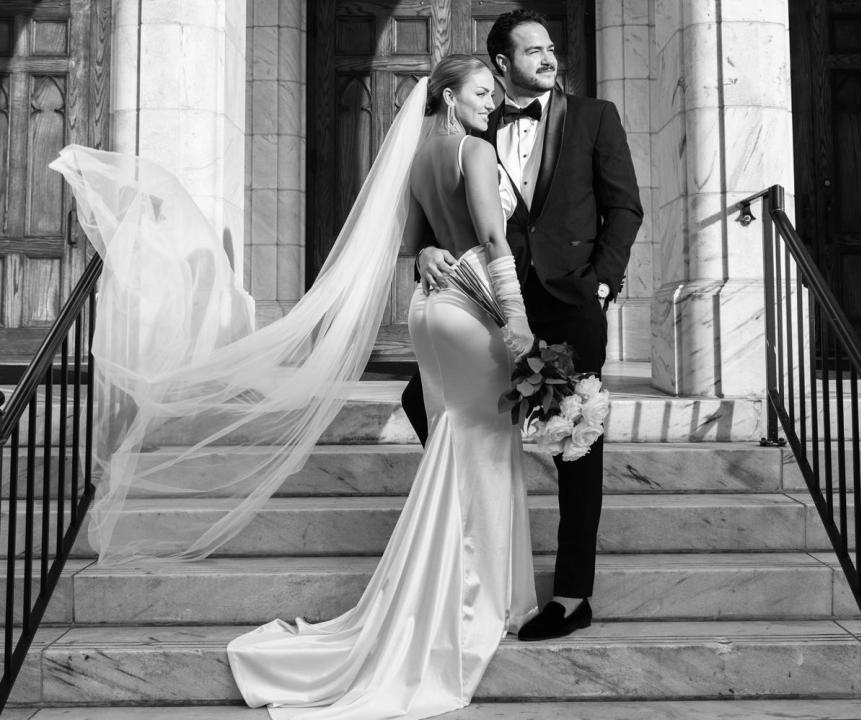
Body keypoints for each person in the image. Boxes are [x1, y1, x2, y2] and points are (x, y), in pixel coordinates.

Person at [227, 55, 539, 719]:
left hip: (428, 313)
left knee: (461, 441)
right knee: (483, 446)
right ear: (449, 97)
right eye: (481, 92)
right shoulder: (475, 150)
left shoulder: (421, 154)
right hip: (473, 307)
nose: (492, 101)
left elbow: (414, 241)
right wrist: (515, 314)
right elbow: (489, 233)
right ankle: (480, 600)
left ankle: (477, 592)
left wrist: (428, 253)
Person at [404, 10, 644, 642]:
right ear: (502, 63)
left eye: (551, 47)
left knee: (577, 439)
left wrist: (601, 280)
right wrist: (425, 248)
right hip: (493, 300)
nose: (548, 57)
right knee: (420, 400)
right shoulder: (474, 130)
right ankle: (467, 552)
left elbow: (625, 205)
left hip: (568, 301)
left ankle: (570, 593)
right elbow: (450, 207)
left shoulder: (596, 116)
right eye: (532, 50)